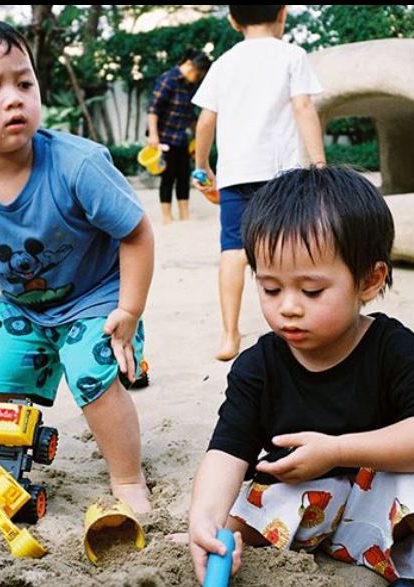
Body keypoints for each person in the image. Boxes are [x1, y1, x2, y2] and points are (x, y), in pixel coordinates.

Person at [0, 17, 154, 513]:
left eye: (24, 83)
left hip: (97, 297)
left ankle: (127, 477)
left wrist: (129, 310)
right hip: (23, 305)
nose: (14, 99)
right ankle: (3, 460)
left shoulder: (77, 165)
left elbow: (135, 232)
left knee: (90, 374)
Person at [187, 166, 414, 585]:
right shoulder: (258, 366)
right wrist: (203, 519)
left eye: (311, 291)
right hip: (300, 510)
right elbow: (227, 452)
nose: (288, 307)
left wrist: (336, 450)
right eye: (271, 289)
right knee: (246, 505)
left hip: (381, 504)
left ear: (369, 281)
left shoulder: (394, 349)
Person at [191, 5, 326, 361]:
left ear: (233, 20)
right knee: (290, 246)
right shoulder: (292, 55)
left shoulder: (224, 63)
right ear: (283, 13)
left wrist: (202, 166)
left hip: (236, 173)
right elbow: (304, 108)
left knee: (233, 251)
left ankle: (228, 334)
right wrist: (320, 165)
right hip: (282, 174)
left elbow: (206, 121)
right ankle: (295, 320)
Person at [147, 49, 211, 224]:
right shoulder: (168, 79)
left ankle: (184, 214)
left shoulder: (190, 86)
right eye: (198, 73)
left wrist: (199, 136)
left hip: (181, 138)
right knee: (168, 177)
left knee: (183, 176)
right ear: (190, 65)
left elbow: (189, 116)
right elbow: (153, 108)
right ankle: (167, 217)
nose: (198, 78)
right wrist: (153, 135)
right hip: (164, 139)